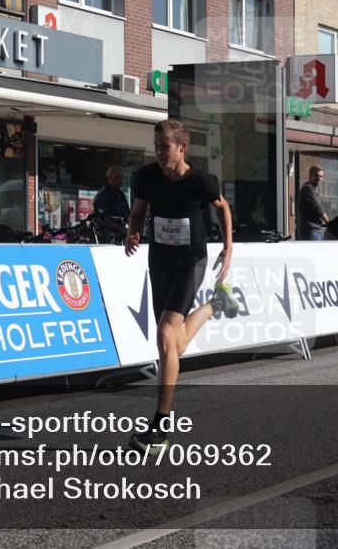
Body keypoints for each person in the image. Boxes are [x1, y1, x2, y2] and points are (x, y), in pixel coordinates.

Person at [125, 120, 238, 454]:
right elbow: (138, 212)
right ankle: (216, 304)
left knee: (164, 334)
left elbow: (223, 208)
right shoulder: (146, 176)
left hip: (191, 261)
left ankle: (160, 430)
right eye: (156, 146)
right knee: (174, 344)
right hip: (160, 260)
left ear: (182, 147)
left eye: (165, 146)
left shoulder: (200, 181)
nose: (159, 152)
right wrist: (132, 233)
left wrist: (228, 248)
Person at [93, 165, 131, 235]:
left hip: (120, 235)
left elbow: (128, 214)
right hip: (106, 236)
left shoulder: (121, 194)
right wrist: (122, 229)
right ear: (108, 178)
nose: (118, 181)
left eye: (120, 178)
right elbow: (102, 219)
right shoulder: (104, 194)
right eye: (116, 178)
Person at [296, 166, 330, 240]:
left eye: (321, 176)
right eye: (316, 176)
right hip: (311, 231)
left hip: (309, 231)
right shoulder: (308, 188)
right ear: (310, 176)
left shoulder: (309, 188)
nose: (319, 178)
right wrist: (328, 221)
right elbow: (317, 207)